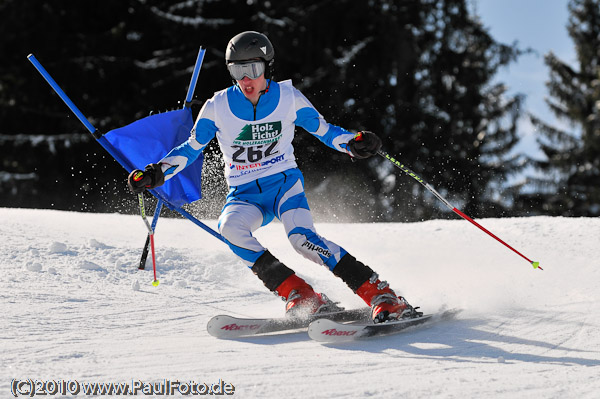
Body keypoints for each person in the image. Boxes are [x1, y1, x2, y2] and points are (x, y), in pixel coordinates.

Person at [128, 31, 419, 323]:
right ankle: (300, 294)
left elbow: (325, 131)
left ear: (267, 67)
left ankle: (382, 296)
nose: (246, 79)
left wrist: (354, 143)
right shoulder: (217, 106)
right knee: (229, 228)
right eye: (237, 70)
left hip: (283, 185)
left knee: (302, 240)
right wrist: (156, 173)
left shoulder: (288, 98)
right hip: (244, 194)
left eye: (252, 69)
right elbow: (191, 148)